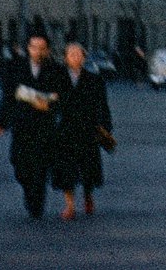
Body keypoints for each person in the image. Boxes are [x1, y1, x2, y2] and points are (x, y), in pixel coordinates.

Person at [0, 33, 68, 220]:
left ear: (48, 50)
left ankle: (37, 203)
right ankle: (28, 190)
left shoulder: (56, 70)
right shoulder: (16, 68)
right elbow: (8, 96)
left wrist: (50, 105)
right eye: (34, 47)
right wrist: (1, 122)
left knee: (41, 166)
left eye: (42, 48)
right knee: (19, 163)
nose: (38, 51)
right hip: (22, 124)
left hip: (45, 126)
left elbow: (63, 97)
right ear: (28, 48)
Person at [50, 42, 113, 223]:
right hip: (65, 129)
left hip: (88, 129)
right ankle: (70, 205)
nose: (75, 57)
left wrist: (106, 127)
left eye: (79, 54)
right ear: (65, 58)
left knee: (88, 168)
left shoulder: (94, 79)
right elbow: (51, 103)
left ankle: (88, 195)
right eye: (71, 54)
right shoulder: (57, 78)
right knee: (65, 168)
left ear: (84, 58)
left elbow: (103, 106)